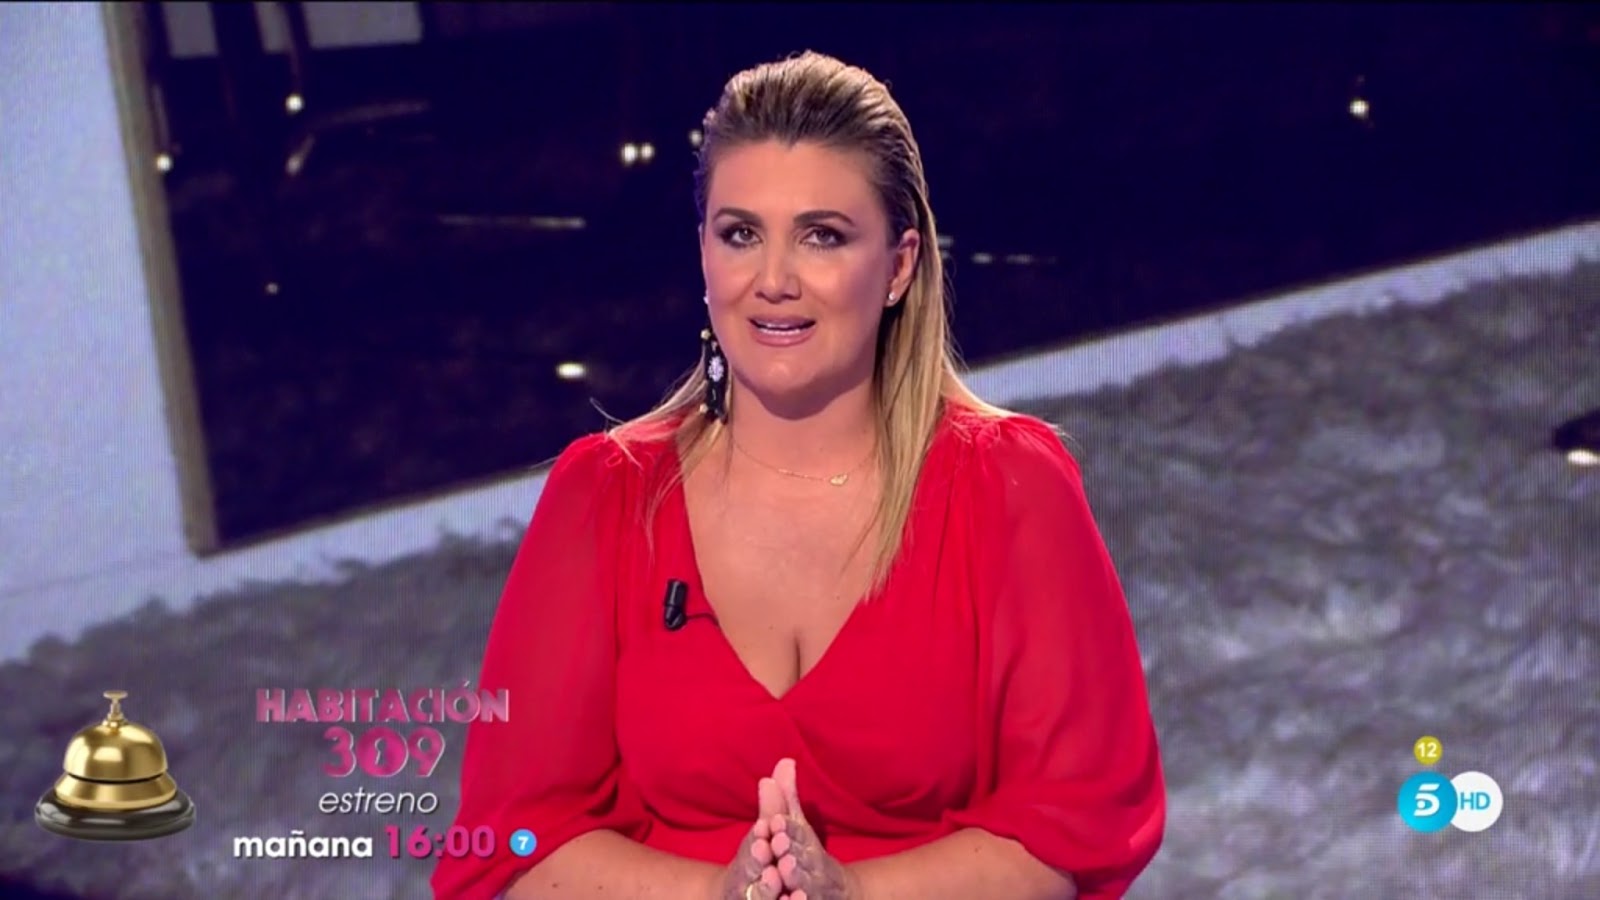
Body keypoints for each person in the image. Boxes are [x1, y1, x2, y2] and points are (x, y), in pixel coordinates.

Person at [432, 50, 1165, 900]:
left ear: (898, 266)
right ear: (703, 254)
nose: (773, 281)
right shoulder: (606, 495)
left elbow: (1076, 828)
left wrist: (853, 894)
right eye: (741, 234)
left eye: (823, 236)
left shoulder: (1010, 486)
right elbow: (514, 845)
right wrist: (715, 894)